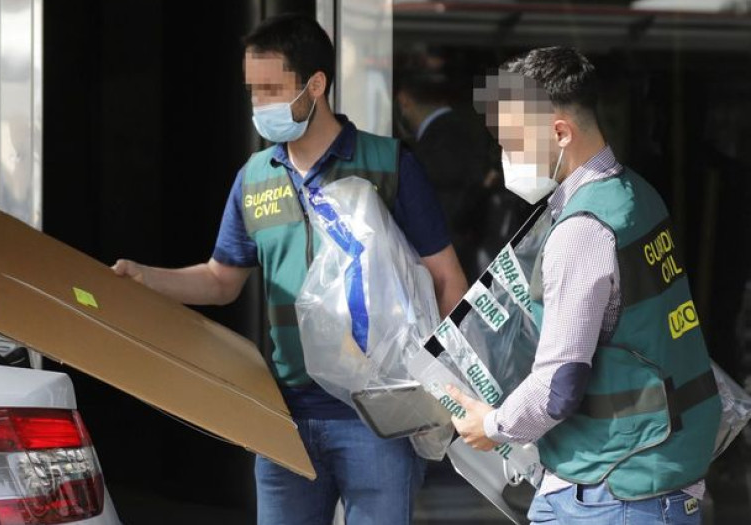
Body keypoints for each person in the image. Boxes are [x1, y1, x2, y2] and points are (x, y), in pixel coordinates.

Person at [112, 14, 467, 525]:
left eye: (272, 90)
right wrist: (147, 279)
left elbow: (447, 280)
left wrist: (443, 390)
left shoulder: (388, 165)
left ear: (315, 85)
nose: (260, 105)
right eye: (253, 92)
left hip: (379, 418)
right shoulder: (255, 178)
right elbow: (220, 280)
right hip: (283, 417)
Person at [447, 47, 720, 525]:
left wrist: (491, 426)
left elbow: (558, 386)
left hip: (611, 492)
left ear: (559, 133)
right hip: (658, 477)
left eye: (512, 143)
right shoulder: (637, 195)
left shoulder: (582, 229)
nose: (505, 158)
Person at [396, 70, 502, 277]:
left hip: (450, 261)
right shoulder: (463, 130)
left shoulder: (442, 140)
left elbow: (451, 205)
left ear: (404, 99)